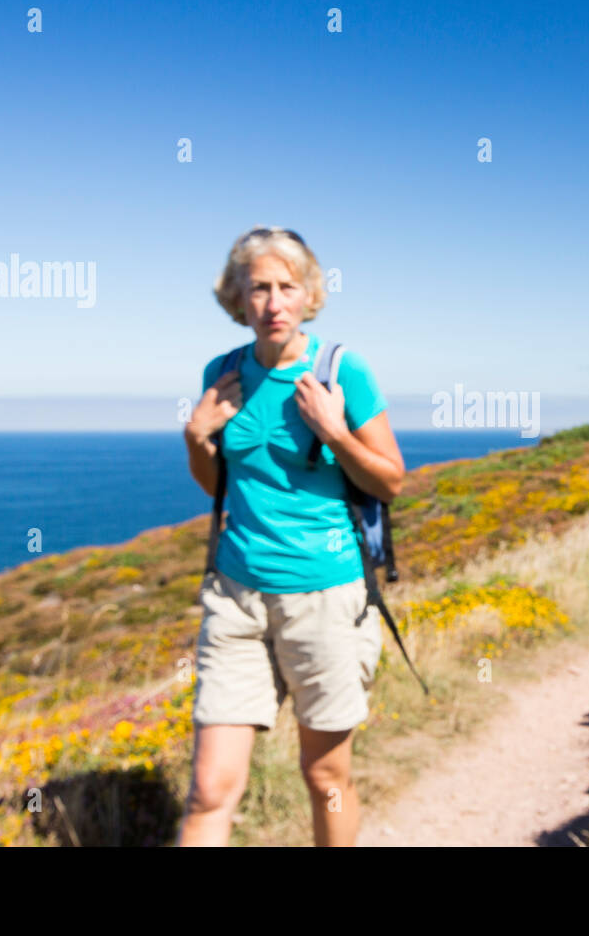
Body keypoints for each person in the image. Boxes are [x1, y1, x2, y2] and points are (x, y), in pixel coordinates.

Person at [177, 226, 405, 846]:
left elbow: (390, 481)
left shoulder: (343, 371)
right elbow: (217, 486)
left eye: (286, 286)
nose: (273, 302)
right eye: (258, 288)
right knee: (208, 790)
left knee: (325, 774)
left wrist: (335, 433)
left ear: (309, 294)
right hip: (236, 597)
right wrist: (196, 437)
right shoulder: (223, 372)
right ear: (237, 298)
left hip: (326, 598)